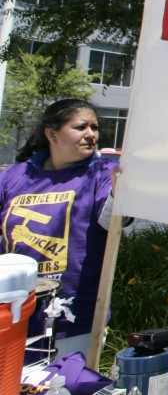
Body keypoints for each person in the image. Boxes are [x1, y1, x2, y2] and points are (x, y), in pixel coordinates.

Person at [0, 99, 121, 360]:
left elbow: (111, 223)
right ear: (52, 134)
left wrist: (120, 193)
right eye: (80, 127)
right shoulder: (14, 176)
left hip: (73, 320)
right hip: (13, 313)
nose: (91, 134)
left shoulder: (102, 172)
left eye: (95, 127)